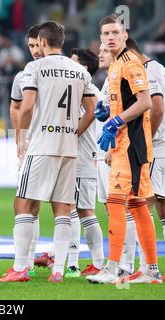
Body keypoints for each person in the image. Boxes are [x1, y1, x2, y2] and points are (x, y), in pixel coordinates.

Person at [0, 21, 97, 283]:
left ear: (41, 42)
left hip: (42, 145)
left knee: (25, 204)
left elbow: (26, 106)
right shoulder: (79, 70)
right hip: (69, 147)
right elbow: (93, 110)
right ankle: (59, 269)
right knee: (63, 208)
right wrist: (74, 132)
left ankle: (19, 268)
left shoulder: (35, 67)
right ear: (62, 42)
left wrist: (24, 135)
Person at [86, 14, 161, 284]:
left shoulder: (130, 63)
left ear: (125, 35)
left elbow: (145, 103)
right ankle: (152, 272)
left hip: (132, 145)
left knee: (116, 204)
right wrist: (110, 113)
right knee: (137, 205)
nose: (109, 38)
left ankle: (113, 268)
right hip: (123, 145)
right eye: (105, 33)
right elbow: (128, 103)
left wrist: (117, 119)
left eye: (114, 33)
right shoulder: (116, 65)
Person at [126, 37, 165, 282]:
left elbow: (158, 108)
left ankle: (146, 269)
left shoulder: (147, 71)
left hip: (158, 150)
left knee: (140, 206)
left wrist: (147, 140)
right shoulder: (161, 68)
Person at [63, 48, 104, 278]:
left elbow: (82, 121)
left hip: (82, 157)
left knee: (81, 210)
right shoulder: (80, 89)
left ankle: (75, 264)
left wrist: (70, 135)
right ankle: (91, 263)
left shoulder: (86, 91)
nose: (68, 65)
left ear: (84, 68)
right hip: (80, 156)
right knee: (77, 209)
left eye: (73, 62)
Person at [9, 24, 43, 276]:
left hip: (48, 142)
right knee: (28, 201)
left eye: (37, 44)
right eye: (30, 46)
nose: (34, 50)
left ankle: (24, 264)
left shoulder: (55, 70)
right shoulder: (22, 76)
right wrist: (19, 136)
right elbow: (15, 107)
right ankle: (29, 260)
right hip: (31, 143)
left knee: (30, 201)